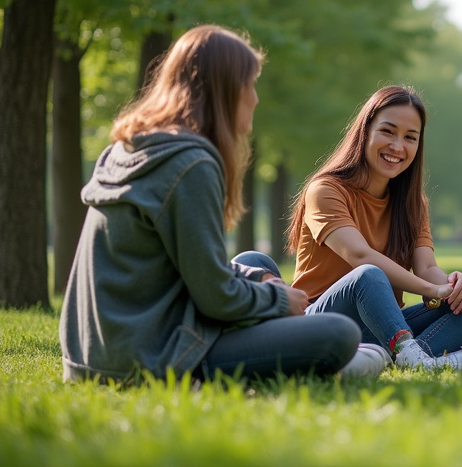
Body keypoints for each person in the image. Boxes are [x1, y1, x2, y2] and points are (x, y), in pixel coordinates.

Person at [60, 25, 365, 384]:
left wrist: (257, 280)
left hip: (94, 355)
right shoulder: (191, 165)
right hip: (148, 358)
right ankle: (336, 363)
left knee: (258, 266)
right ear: (223, 90)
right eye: (249, 85)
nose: (255, 98)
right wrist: (280, 302)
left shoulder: (131, 148)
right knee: (339, 334)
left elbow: (194, 268)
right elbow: (215, 299)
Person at [286, 85, 462, 369]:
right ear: (365, 131)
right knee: (368, 275)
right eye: (388, 131)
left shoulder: (414, 204)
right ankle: (428, 357)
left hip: (385, 324)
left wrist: (453, 286)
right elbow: (361, 256)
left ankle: (408, 356)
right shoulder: (325, 191)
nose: (398, 146)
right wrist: (432, 291)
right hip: (323, 320)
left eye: (410, 137)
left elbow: (426, 268)